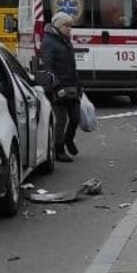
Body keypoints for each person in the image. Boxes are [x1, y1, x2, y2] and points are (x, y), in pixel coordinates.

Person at [40, 12, 81, 163]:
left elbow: (71, 66)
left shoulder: (66, 41)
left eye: (70, 25)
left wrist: (78, 85)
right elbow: (48, 67)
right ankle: (59, 149)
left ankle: (68, 139)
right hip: (58, 88)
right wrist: (56, 86)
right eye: (66, 25)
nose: (70, 29)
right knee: (61, 120)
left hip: (71, 85)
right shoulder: (49, 43)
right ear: (58, 26)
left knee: (76, 117)